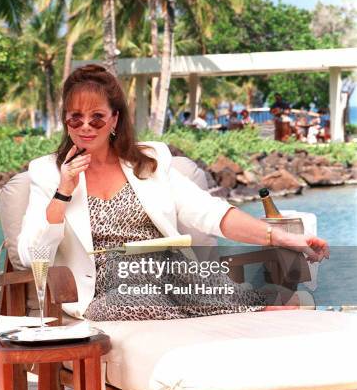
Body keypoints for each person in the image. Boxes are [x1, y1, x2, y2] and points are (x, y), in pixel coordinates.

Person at [18, 64, 329, 321]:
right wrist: (63, 192)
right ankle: (246, 314)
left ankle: (264, 312)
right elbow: (32, 254)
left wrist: (286, 238)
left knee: (201, 281)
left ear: (114, 119)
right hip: (108, 287)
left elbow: (211, 213)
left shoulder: (150, 161)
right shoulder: (47, 172)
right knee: (142, 297)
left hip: (173, 272)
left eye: (96, 117)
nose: (85, 126)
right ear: (65, 121)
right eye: (75, 118)